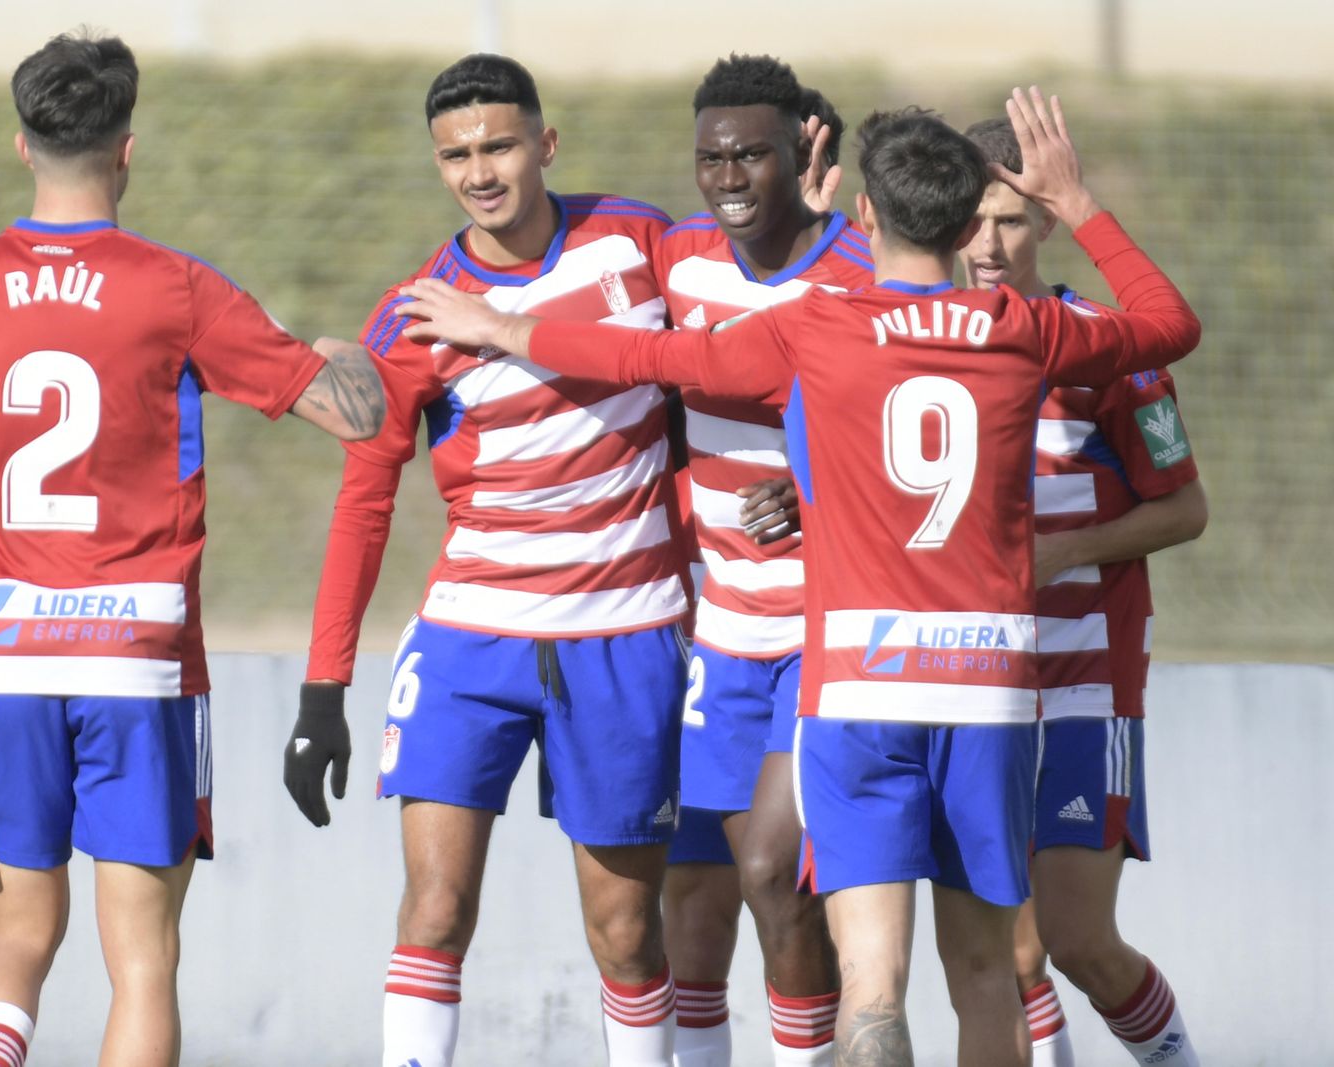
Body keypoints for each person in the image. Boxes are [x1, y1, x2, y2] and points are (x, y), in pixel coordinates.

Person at [392, 87, 1202, 1067]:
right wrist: (1077, 204)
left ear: (864, 215)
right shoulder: (1021, 328)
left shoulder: (816, 329)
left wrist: (509, 329)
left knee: (870, 985)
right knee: (993, 967)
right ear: (963, 225)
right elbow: (1168, 323)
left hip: (856, 684)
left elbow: (650, 353)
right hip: (989, 686)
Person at [0, 31, 383, 1067]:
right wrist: (348, 357)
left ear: (22, 145)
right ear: (127, 149)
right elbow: (352, 415)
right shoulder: (176, 289)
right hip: (136, 661)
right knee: (142, 960)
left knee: (17, 939)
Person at [280, 54, 689, 1067]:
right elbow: (364, 500)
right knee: (434, 905)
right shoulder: (414, 312)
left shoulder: (642, 245)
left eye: (499, 144)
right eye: (455, 154)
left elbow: (732, 367)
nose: (479, 170)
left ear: (545, 145)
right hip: (471, 637)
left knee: (627, 930)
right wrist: (322, 689)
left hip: (624, 632)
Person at [959, 116, 1207, 1067]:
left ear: (1047, 225)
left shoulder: (1109, 347)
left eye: (1013, 219)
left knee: (1076, 942)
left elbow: (1186, 510)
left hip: (1082, 688)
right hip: (967, 686)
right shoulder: (924, 349)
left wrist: (1067, 552)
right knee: (1006, 950)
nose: (989, 243)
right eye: (974, 219)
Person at [655, 55, 872, 1067]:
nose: (730, 177)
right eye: (711, 159)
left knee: (775, 868)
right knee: (695, 898)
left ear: (803, 152)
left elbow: (917, 416)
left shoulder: (862, 272)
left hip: (827, 633)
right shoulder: (678, 261)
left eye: (752, 155)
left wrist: (817, 475)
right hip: (718, 629)